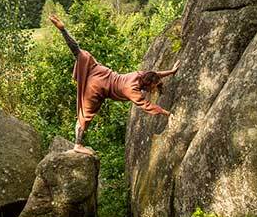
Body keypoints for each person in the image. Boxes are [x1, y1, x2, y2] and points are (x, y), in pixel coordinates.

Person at [49, 14, 179, 155]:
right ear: (148, 84)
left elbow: (155, 74)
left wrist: (171, 71)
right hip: (96, 88)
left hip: (99, 73)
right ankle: (78, 145)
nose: (153, 89)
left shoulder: (140, 75)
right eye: (153, 87)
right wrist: (167, 113)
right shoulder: (132, 90)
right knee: (84, 116)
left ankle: (63, 29)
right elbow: (147, 106)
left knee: (82, 54)